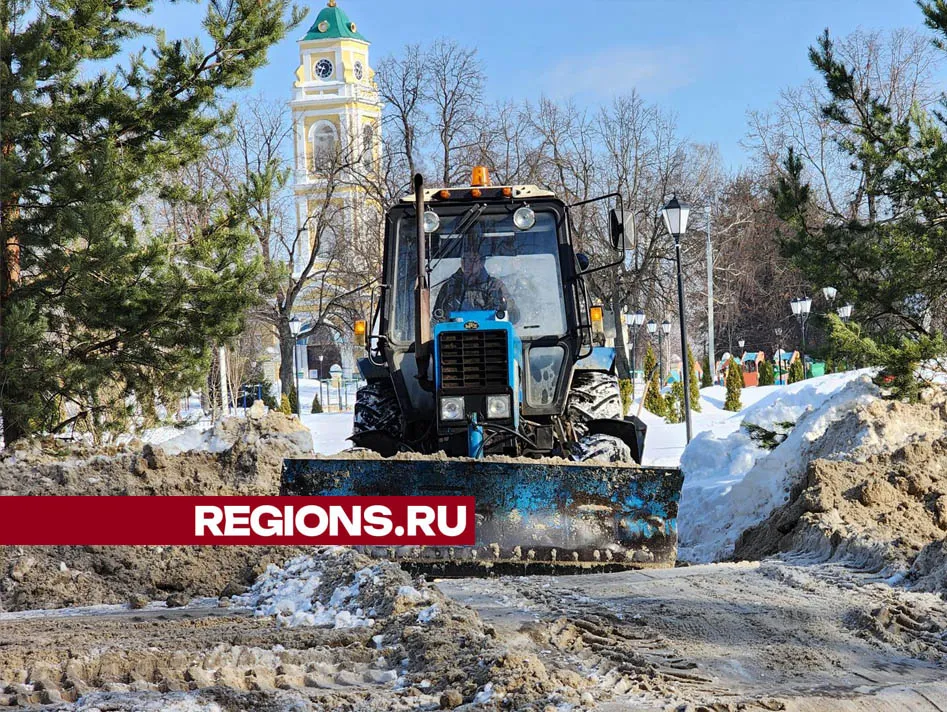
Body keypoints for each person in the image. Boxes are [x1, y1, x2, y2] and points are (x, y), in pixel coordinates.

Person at [432, 247, 518, 322]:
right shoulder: (449, 287)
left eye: (472, 260)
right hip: (454, 336)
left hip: (491, 335)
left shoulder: (495, 287)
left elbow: (515, 316)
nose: (466, 264)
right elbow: (436, 318)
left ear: (482, 263)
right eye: (464, 259)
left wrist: (505, 307)